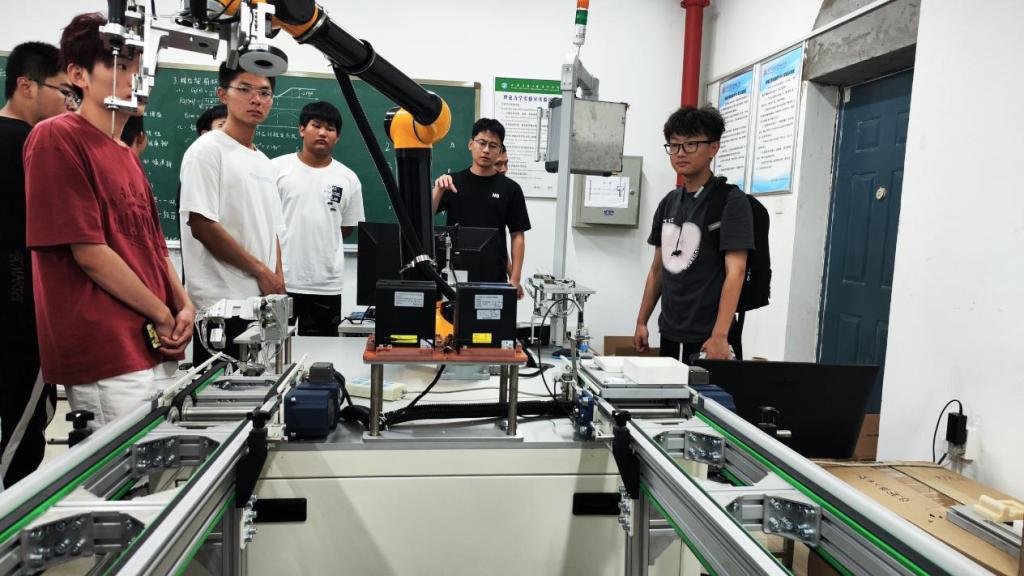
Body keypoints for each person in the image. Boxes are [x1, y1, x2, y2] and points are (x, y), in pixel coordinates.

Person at [23, 13, 193, 431]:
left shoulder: (125, 154)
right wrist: (162, 312)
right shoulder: (57, 137)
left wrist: (184, 304)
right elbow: (90, 253)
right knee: (122, 468)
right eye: (121, 66)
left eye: (140, 67)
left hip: (153, 341)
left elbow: (154, 247)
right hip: (106, 347)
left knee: (159, 461)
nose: (137, 78)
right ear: (78, 75)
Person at [0, 41, 77, 488]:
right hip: (21, 315)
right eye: (64, 91)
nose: (69, 102)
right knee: (22, 436)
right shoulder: (34, 146)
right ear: (26, 86)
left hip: (18, 309)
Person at [179, 63, 285, 364]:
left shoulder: (263, 161)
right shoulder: (207, 150)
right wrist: (262, 272)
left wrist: (278, 283)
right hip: (222, 307)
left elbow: (273, 230)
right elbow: (202, 225)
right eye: (245, 89)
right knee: (221, 389)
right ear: (223, 94)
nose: (256, 99)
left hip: (260, 304)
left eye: (264, 93)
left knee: (262, 385)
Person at [634, 106, 753, 363]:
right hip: (670, 330)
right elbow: (658, 269)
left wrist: (720, 335)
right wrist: (642, 321)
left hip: (709, 337)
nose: (680, 153)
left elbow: (736, 271)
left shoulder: (730, 201)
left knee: (707, 392)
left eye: (691, 144)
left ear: (713, 148)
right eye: (674, 145)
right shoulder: (669, 202)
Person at [273, 101, 363, 336]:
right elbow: (265, 225)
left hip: (326, 283)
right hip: (281, 280)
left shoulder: (348, 178)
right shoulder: (276, 169)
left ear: (337, 137)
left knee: (322, 351)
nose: (323, 132)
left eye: (330, 128)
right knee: (273, 348)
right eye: (316, 125)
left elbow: (346, 228)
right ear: (302, 129)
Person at [431, 118, 530, 299]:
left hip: (494, 275)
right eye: (481, 143)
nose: (486, 150)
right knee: (453, 316)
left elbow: (517, 236)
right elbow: (424, 215)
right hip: (454, 273)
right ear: (471, 144)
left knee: (490, 317)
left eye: (493, 146)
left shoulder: (511, 189)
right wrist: (438, 189)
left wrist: (515, 279)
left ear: (500, 150)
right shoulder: (452, 182)